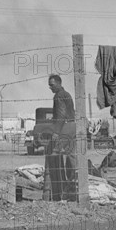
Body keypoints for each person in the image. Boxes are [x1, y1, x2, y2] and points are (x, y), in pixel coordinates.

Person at [43, 74, 77, 202]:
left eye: (52, 85)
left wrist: (56, 131)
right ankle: (73, 185)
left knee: (54, 156)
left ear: (58, 83)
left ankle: (57, 192)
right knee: (72, 157)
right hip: (72, 126)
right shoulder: (66, 94)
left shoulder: (59, 96)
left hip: (65, 128)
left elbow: (62, 114)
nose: (50, 87)